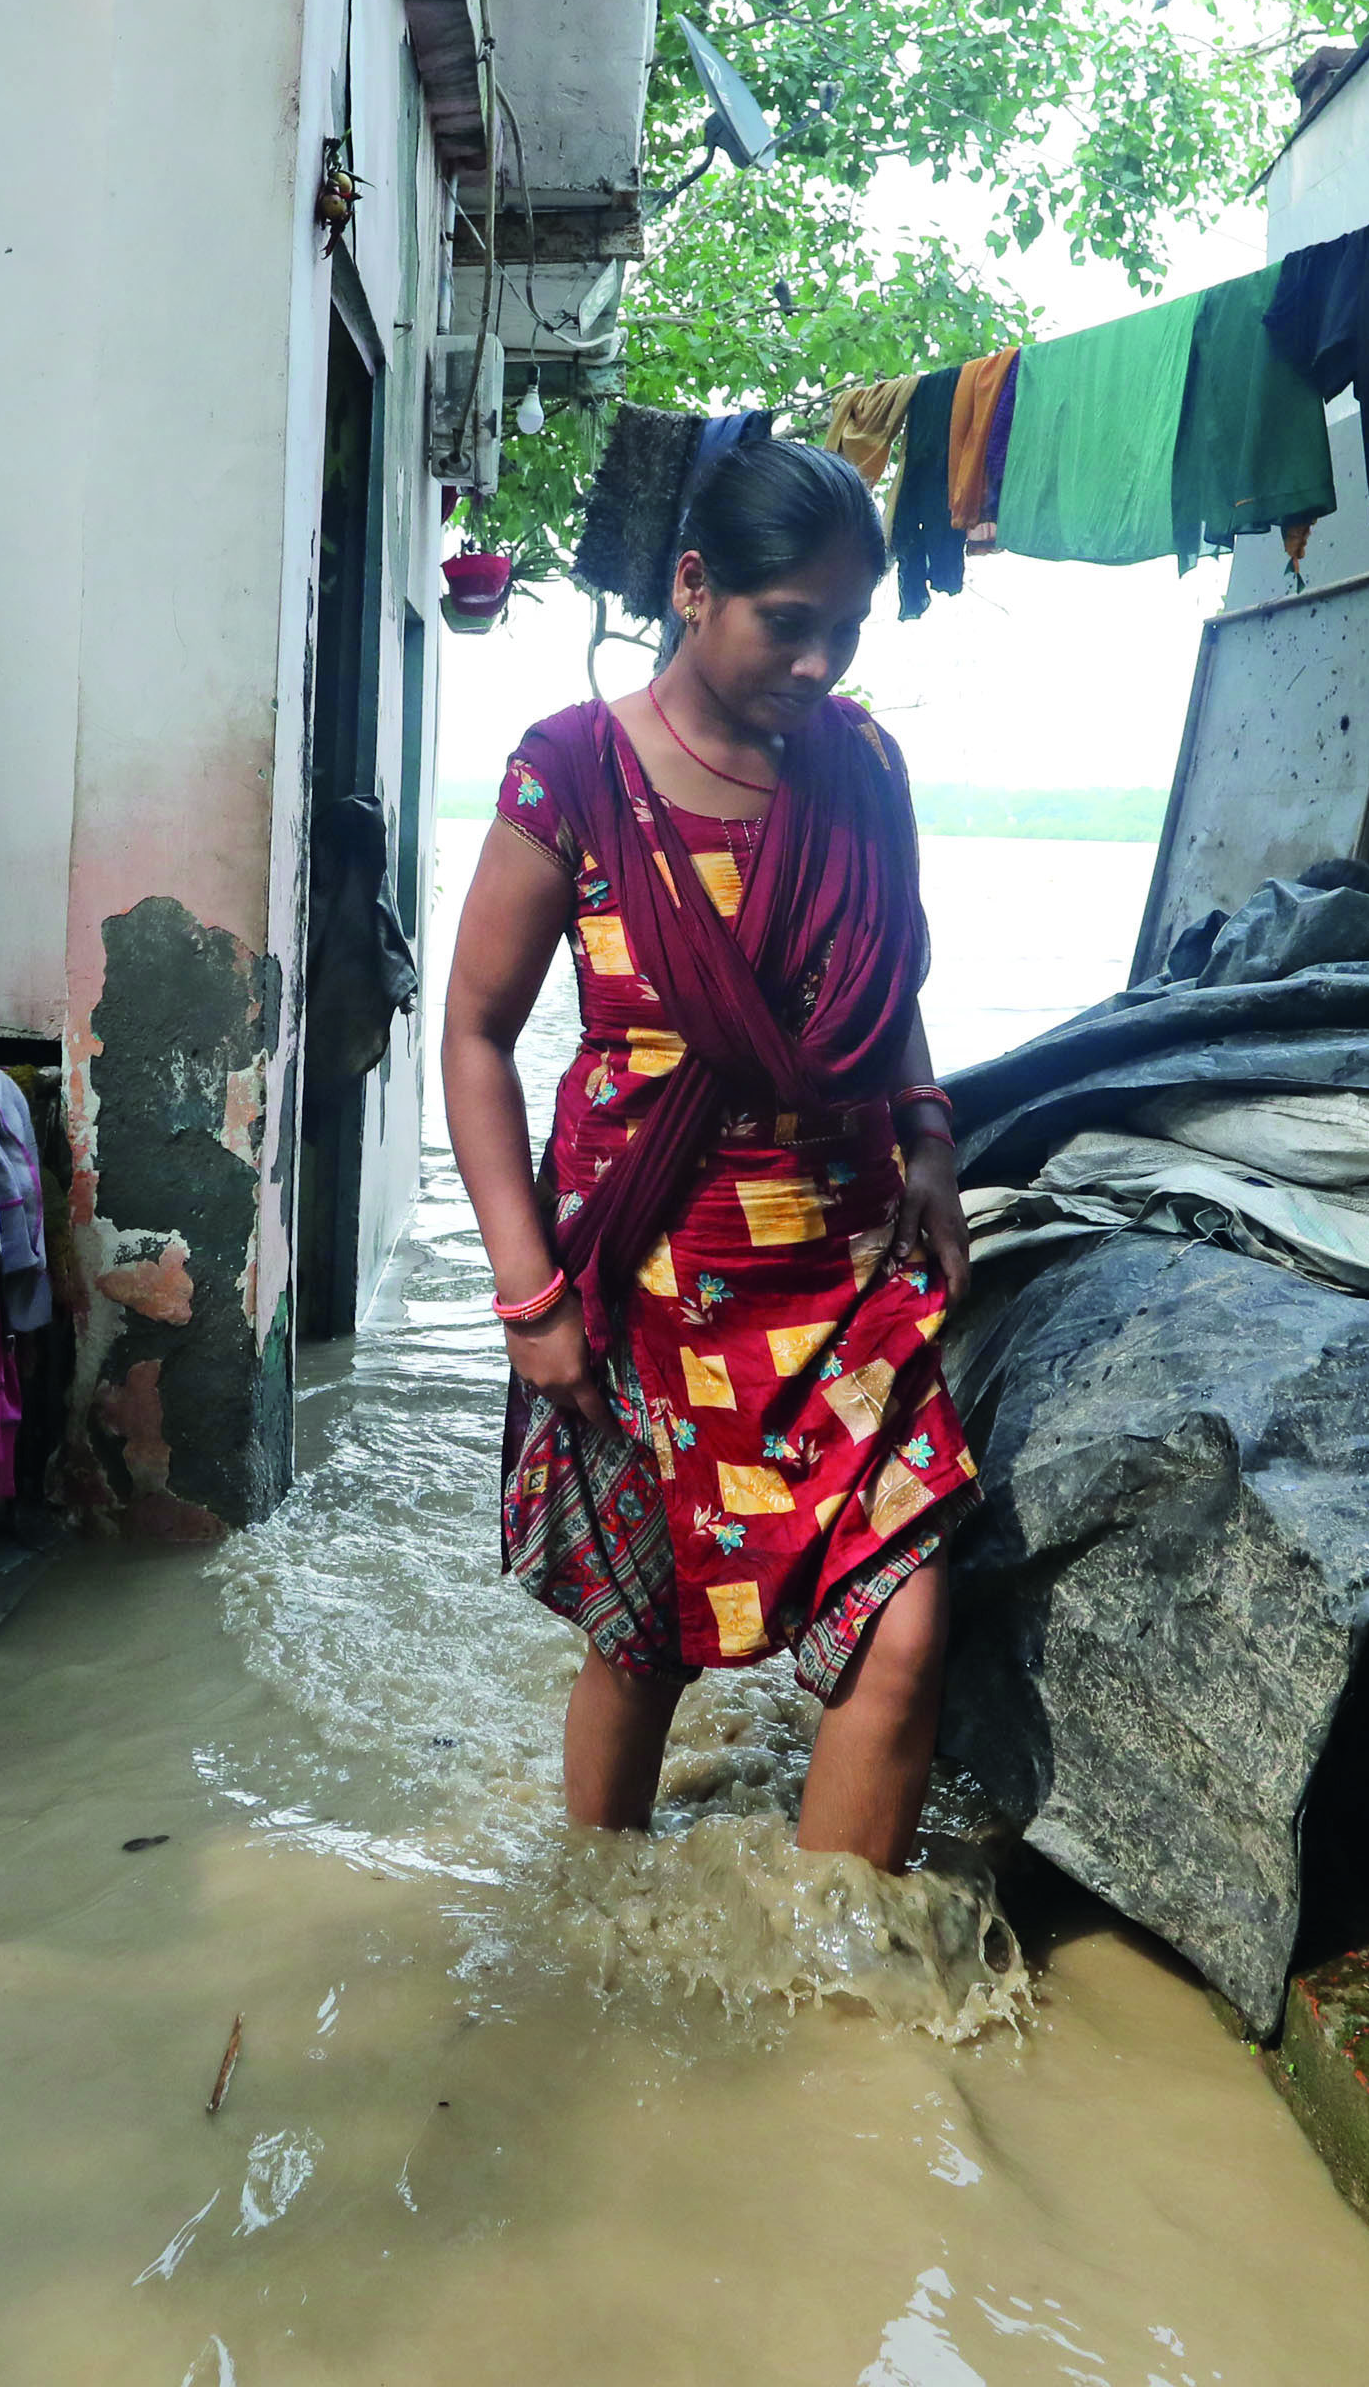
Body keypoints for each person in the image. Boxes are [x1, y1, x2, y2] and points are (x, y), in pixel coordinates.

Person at [438, 430, 977, 1873]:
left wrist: (929, 1138)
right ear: (693, 586)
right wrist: (527, 1292)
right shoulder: (576, 774)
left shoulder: (861, 766)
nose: (817, 666)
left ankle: (835, 2019)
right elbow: (477, 1035)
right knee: (647, 1638)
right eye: (787, 625)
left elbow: (883, 978)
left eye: (846, 633)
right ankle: (592, 1925)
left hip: (850, 1269)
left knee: (907, 1632)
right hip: (650, 1282)